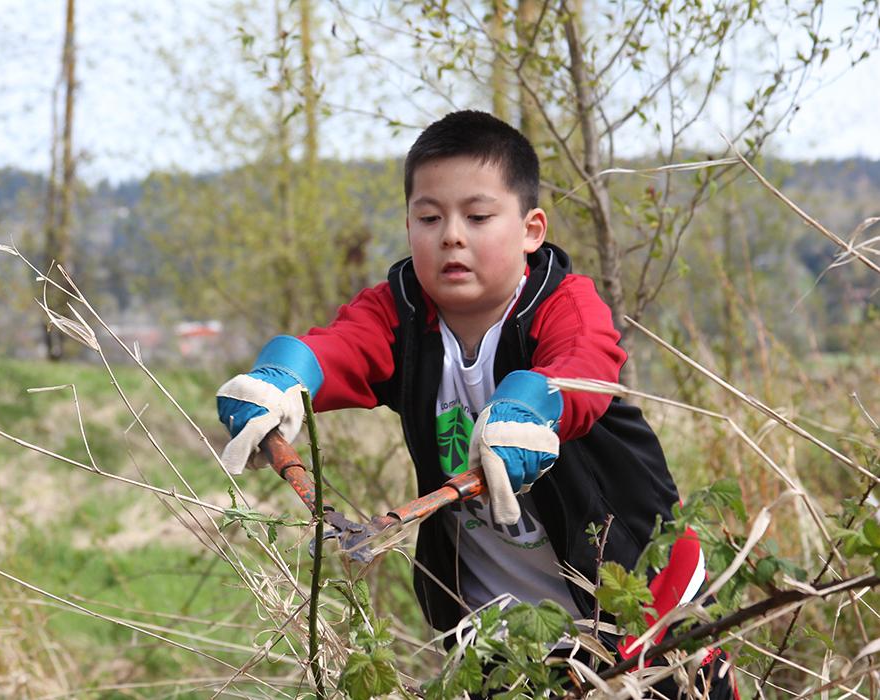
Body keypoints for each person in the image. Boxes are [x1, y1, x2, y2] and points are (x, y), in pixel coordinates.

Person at [216, 110, 735, 697]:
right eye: (429, 217)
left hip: (636, 596)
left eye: (479, 216)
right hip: (495, 621)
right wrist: (283, 376)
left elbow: (583, 363)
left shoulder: (564, 302)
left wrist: (530, 405)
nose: (451, 235)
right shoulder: (399, 313)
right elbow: (339, 347)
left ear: (531, 229)